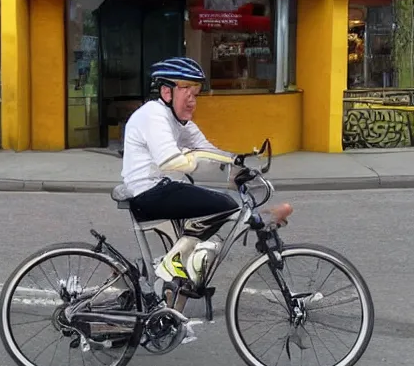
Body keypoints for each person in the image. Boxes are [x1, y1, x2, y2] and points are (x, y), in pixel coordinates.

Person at [120, 57, 292, 318]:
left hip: (163, 188)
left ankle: (168, 295)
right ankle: (172, 264)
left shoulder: (178, 120)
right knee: (225, 205)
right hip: (148, 192)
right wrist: (217, 164)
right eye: (186, 91)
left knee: (212, 211)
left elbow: (207, 151)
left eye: (196, 93)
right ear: (166, 92)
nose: (192, 99)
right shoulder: (153, 115)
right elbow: (172, 160)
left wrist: (237, 168)